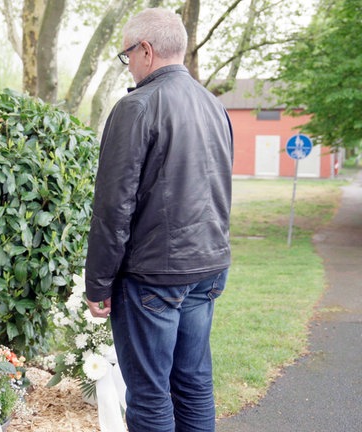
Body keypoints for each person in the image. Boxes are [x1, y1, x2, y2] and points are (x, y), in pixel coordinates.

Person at [85, 7, 233, 432]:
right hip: (207, 268)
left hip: (153, 276)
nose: (127, 65)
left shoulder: (137, 106)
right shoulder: (214, 106)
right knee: (194, 385)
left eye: (126, 55)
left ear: (145, 50)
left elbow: (113, 208)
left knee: (150, 394)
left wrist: (98, 282)